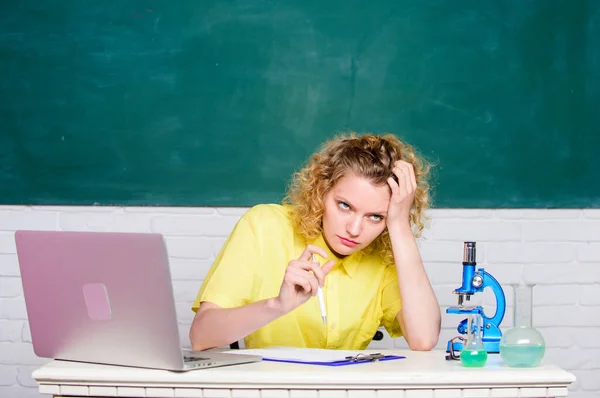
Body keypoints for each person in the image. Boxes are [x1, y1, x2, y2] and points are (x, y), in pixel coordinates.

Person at [189, 132, 441, 351]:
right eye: (344, 206)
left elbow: (424, 338)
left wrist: (399, 224)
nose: (354, 229)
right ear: (322, 191)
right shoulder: (265, 226)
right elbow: (201, 337)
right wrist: (277, 305)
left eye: (375, 216)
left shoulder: (384, 256)